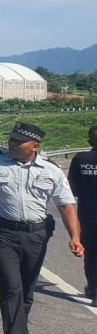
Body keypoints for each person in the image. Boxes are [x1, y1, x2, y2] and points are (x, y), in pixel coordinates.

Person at [0, 122, 84, 334]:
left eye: (19, 141)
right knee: (11, 287)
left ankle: (16, 328)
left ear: (35, 146)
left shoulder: (51, 170)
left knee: (26, 291)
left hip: (36, 236)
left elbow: (66, 205)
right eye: (12, 139)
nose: (12, 144)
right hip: (3, 234)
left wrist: (75, 237)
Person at [67, 125, 97, 306]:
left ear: (89, 141)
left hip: (88, 215)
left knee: (92, 254)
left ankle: (94, 289)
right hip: (88, 215)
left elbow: (72, 189)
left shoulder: (80, 159)